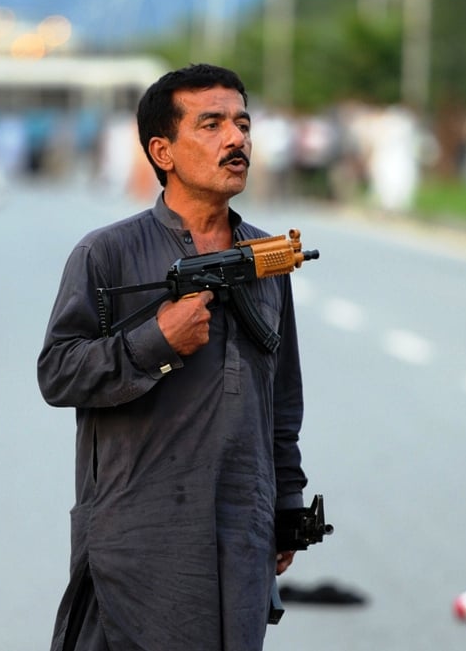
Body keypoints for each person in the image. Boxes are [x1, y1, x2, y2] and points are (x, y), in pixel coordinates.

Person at [37, 64, 309, 651]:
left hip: (241, 531)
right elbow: (57, 372)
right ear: (162, 150)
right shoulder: (105, 254)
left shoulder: (266, 259)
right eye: (210, 125)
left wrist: (286, 505)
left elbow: (281, 401)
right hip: (139, 537)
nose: (235, 139)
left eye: (241, 123)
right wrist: (156, 342)